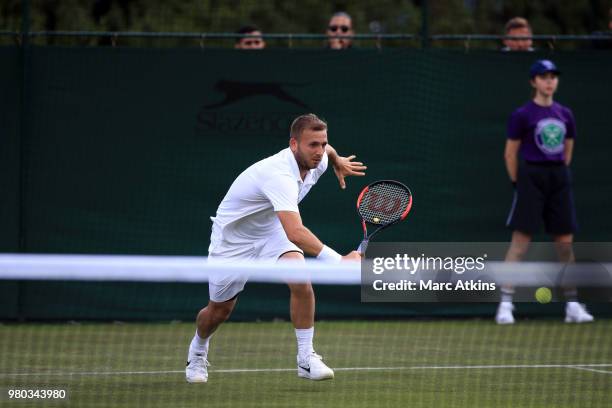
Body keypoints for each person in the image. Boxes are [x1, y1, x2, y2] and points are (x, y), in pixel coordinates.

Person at [186, 113, 366, 383]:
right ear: (294, 144)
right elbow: (296, 232)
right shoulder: (278, 174)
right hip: (234, 241)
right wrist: (339, 262)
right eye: (311, 145)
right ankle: (197, 350)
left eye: (321, 143)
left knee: (301, 278)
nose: (318, 152)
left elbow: (328, 150)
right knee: (219, 311)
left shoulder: (321, 159)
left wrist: (336, 159)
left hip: (272, 229)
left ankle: (306, 359)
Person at [496, 60, 594, 325]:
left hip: (559, 178)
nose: (549, 81)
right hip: (531, 178)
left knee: (565, 244)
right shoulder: (522, 115)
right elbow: (510, 153)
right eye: (544, 76)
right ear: (533, 82)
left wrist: (559, 172)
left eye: (553, 77)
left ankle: (572, 305)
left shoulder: (566, 114)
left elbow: (568, 149)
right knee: (520, 244)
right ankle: (505, 304)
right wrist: (519, 183)